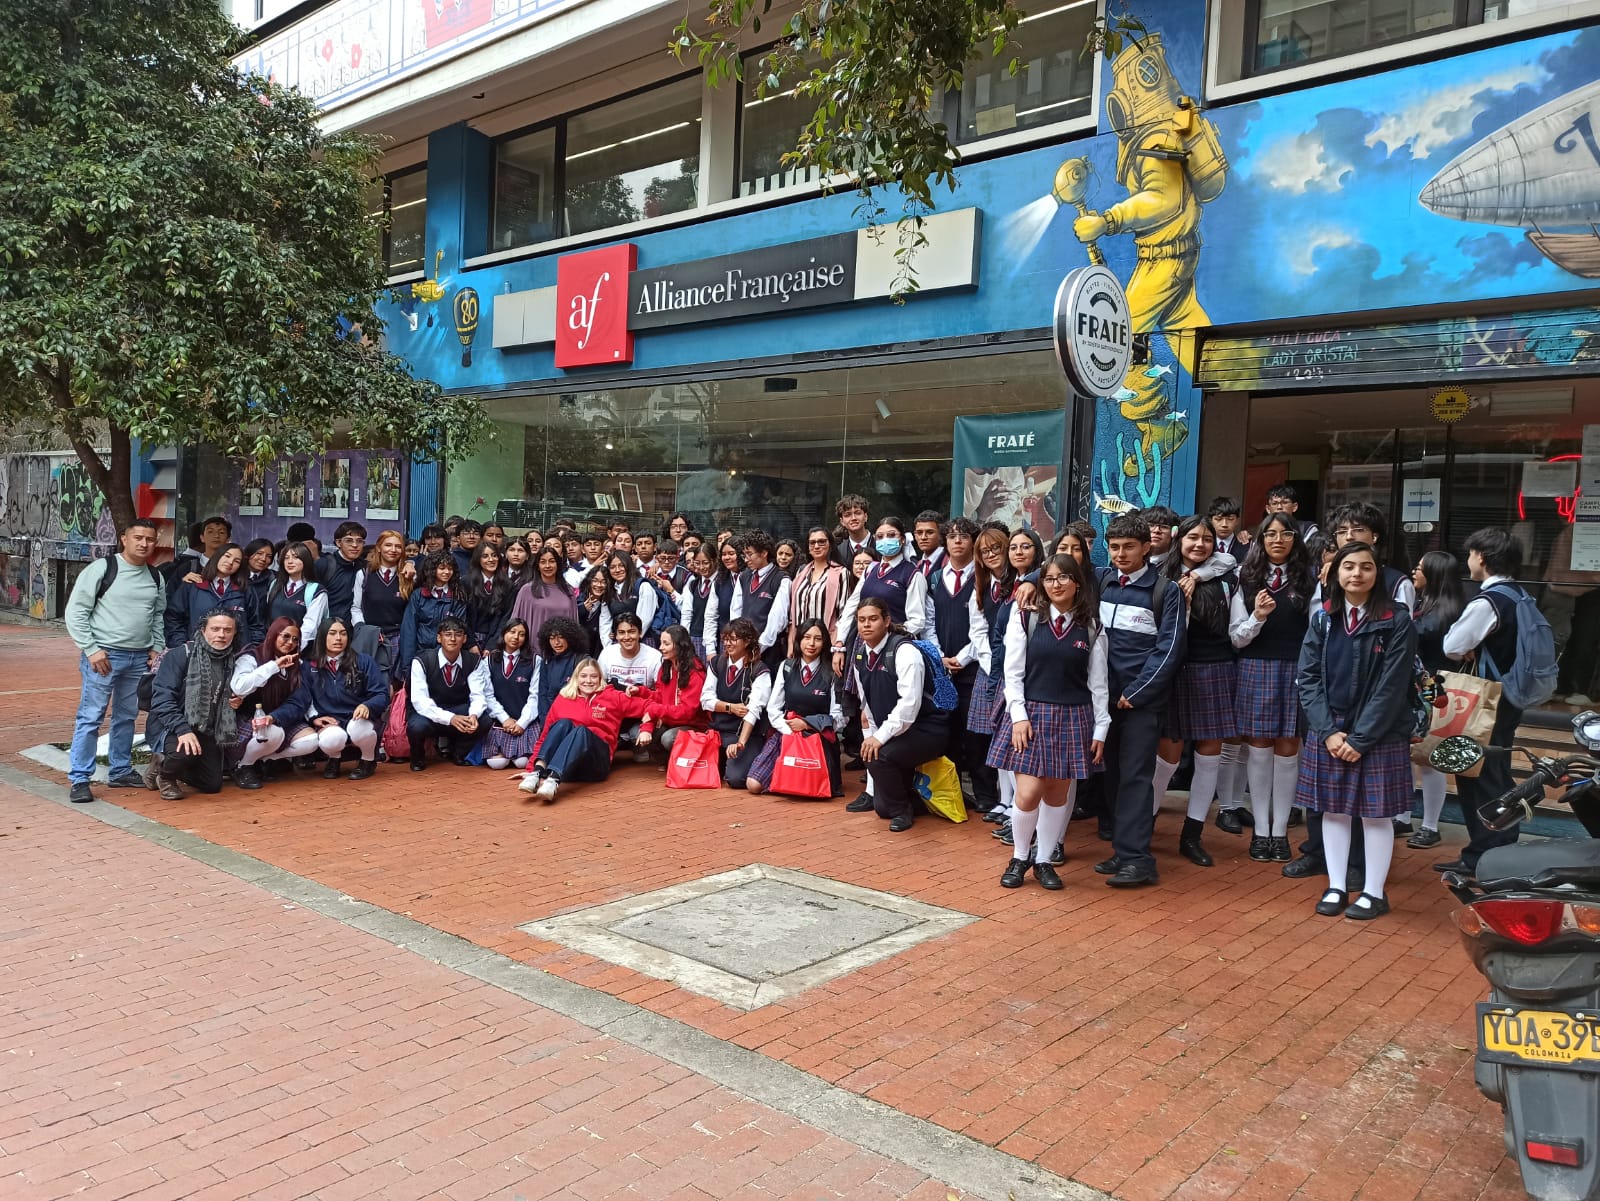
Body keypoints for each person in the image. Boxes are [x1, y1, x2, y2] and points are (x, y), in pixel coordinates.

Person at [1297, 541, 1418, 920]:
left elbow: (1393, 686)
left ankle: (1373, 892)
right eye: (1348, 566)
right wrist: (1328, 732)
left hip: (1378, 734)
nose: (1356, 574)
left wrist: (1362, 738)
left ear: (1376, 572)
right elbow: (1308, 677)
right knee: (1332, 811)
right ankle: (1335, 885)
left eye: (1366, 567)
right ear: (1336, 573)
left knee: (1375, 815)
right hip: (1330, 731)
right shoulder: (1323, 617)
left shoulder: (1396, 619)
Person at [989, 554, 1110, 889]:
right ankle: (1019, 856)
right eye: (1049, 578)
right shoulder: (1025, 617)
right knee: (1028, 792)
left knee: (1057, 793)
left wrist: (1101, 728)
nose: (1056, 584)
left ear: (1077, 583)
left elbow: (1098, 683)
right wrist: (1018, 717)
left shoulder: (1091, 625)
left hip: (1074, 715)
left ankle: (1044, 860)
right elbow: (1012, 673)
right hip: (1031, 714)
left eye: (1063, 578)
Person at [1094, 514, 1186, 888]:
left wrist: (1137, 692)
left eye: (1128, 547)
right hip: (1103, 701)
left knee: (1135, 777)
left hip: (1139, 703)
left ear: (1147, 547)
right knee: (1112, 775)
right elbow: (1059, 570)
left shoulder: (1166, 591)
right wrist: (1031, 583)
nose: (1120, 554)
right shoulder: (1102, 581)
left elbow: (1169, 649)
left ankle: (1138, 859)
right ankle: (1122, 848)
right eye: (1114, 547)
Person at [1440, 527, 1530, 876]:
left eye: (1471, 554)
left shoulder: (1487, 601)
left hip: (1485, 699)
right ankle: (1489, 850)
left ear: (1482, 558)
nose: (1469, 560)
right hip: (1508, 696)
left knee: (1479, 775)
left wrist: (1467, 647)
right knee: (1494, 772)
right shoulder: (1520, 595)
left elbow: (1452, 645)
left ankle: (1486, 855)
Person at [1154, 515, 1239, 869]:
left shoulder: (1225, 577)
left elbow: (1231, 560)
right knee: (1166, 758)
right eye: (1192, 537)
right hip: (1174, 670)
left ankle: (1192, 834)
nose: (1199, 544)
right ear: (1180, 540)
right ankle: (1144, 824)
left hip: (1215, 668)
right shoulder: (1160, 575)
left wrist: (1197, 575)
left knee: (1209, 757)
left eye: (1206, 539)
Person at [1228, 513, 1314, 863]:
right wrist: (1258, 617)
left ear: (1296, 539)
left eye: (1286, 534)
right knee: (1259, 748)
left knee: (1288, 749)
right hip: (1256, 667)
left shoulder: (1310, 581)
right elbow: (1236, 637)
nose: (1278, 540)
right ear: (1260, 540)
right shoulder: (1244, 579)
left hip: (1296, 669)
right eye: (1271, 534)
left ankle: (1281, 831)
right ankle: (1260, 830)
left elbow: (1316, 632)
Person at [63, 520, 166, 803]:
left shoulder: (155, 577)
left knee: (127, 716)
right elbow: (76, 612)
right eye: (138, 538)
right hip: (104, 656)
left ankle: (120, 770)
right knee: (91, 717)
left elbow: (157, 615)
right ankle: (80, 778)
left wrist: (156, 648)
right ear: (124, 538)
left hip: (138, 659)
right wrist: (91, 649)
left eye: (150, 539)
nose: (144, 544)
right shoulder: (103, 569)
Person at [848, 596, 951, 832]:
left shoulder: (904, 652)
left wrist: (880, 737)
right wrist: (873, 737)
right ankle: (917, 800)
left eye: (873, 619)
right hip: (897, 731)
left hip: (927, 729)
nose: (866, 625)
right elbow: (868, 707)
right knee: (882, 807)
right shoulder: (860, 656)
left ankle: (903, 811)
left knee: (879, 755)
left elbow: (909, 706)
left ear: (886, 621)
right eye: (861, 620)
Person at [516, 659, 658, 801]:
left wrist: (646, 728)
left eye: (593, 676)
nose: (588, 681)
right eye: (583, 676)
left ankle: (553, 780)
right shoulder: (564, 697)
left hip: (595, 765)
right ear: (576, 678)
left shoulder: (613, 697)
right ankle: (537, 772)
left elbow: (650, 705)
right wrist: (529, 768)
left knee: (581, 731)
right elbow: (546, 736)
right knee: (563, 724)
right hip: (568, 767)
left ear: (600, 678)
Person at [928, 517, 995, 811]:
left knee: (976, 734)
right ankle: (952, 794)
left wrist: (963, 657)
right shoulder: (933, 577)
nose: (957, 541)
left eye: (964, 536)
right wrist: (938, 655)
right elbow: (928, 622)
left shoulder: (984, 578)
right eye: (952, 536)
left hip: (973, 669)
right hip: (941, 668)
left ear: (973, 542)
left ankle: (986, 796)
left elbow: (986, 626)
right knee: (947, 732)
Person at [143, 609, 245, 799]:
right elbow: (162, 700)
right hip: (171, 725)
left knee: (212, 784)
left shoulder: (232, 660)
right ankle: (166, 775)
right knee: (184, 753)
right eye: (215, 629)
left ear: (235, 633)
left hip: (207, 727)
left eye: (227, 630)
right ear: (203, 630)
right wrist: (183, 730)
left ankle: (168, 763)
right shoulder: (180, 655)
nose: (221, 635)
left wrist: (237, 700)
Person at [270, 616, 387, 779]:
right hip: (331, 720)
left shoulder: (363, 661)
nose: (338, 638)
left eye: (343, 633)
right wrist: (314, 718)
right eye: (332, 633)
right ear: (322, 637)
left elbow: (381, 694)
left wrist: (368, 705)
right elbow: (302, 699)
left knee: (360, 730)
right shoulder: (309, 667)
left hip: (358, 718)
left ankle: (368, 759)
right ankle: (334, 758)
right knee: (331, 739)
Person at [747, 618, 846, 798]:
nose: (811, 643)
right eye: (807, 637)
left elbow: (839, 717)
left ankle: (789, 780)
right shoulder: (787, 667)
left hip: (818, 737)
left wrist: (807, 724)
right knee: (753, 784)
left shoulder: (832, 672)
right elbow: (773, 708)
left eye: (818, 638)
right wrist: (789, 730)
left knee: (811, 786)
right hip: (786, 732)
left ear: (825, 643)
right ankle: (785, 779)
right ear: (799, 640)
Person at [1407, 551, 1467, 849]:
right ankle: (1403, 816)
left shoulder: (1446, 610)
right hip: (1415, 689)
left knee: (1431, 759)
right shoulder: (1422, 601)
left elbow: (1418, 636)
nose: (1414, 572)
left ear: (1435, 573)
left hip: (1435, 691)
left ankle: (1430, 825)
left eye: (1419, 567)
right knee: (1407, 754)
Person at [831, 517, 929, 675]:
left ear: (902, 540)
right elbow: (851, 606)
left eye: (891, 535)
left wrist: (887, 634)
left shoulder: (912, 574)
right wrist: (840, 643)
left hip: (895, 647)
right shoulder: (870, 569)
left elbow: (917, 621)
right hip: (863, 644)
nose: (885, 540)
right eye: (880, 536)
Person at [228, 617, 318, 787]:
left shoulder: (298, 664)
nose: (290, 643)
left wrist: (275, 717)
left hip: (278, 718)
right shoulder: (252, 657)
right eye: (285, 636)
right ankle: (242, 766)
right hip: (249, 718)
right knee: (273, 733)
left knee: (311, 741)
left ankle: (266, 759)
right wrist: (274, 666)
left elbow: (300, 700)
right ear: (273, 635)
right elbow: (239, 688)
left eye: (295, 639)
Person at [406, 616, 488, 770]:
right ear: (439, 638)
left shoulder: (474, 661)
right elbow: (420, 701)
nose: (453, 639)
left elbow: (478, 695)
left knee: (485, 720)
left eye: (458, 634)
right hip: (429, 713)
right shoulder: (422, 660)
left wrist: (474, 715)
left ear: (464, 639)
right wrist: (451, 718)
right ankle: (417, 756)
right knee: (416, 726)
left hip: (458, 708)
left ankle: (458, 752)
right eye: (447, 634)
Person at [701, 618, 772, 788]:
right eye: (725, 639)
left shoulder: (759, 670)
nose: (727, 643)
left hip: (745, 734)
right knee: (700, 772)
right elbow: (705, 700)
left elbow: (753, 711)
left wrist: (741, 743)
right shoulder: (717, 663)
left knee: (736, 780)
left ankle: (743, 758)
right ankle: (722, 760)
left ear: (747, 641)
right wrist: (730, 708)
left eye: (733, 639)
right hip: (718, 731)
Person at [598, 611, 665, 760]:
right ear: (615, 635)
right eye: (621, 632)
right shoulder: (607, 654)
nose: (627, 637)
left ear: (640, 633)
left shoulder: (654, 657)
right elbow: (599, 687)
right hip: (612, 713)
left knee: (641, 752)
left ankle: (633, 743)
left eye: (631, 632)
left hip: (640, 714)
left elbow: (661, 692)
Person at [478, 619, 542, 771]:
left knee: (522, 763)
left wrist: (522, 723)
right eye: (512, 632)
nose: (516, 637)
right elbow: (487, 694)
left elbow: (535, 696)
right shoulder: (489, 660)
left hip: (524, 721)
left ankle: (516, 752)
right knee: (496, 764)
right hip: (500, 722)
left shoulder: (534, 660)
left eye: (521, 634)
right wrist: (504, 719)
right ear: (504, 633)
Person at [638, 624, 708, 758]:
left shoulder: (695, 673)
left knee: (668, 738)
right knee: (644, 734)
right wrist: (641, 692)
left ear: (679, 645)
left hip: (695, 725)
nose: (660, 648)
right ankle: (668, 763)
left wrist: (656, 710)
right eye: (661, 643)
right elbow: (659, 697)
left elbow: (688, 712)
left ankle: (687, 763)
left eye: (666, 644)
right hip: (672, 721)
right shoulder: (666, 667)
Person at [165, 542, 253, 648]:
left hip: (237, 655)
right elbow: (174, 617)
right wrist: (181, 645)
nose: (230, 562)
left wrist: (250, 652)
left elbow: (256, 625)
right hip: (196, 653)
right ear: (217, 557)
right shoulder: (193, 585)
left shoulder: (245, 590)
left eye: (237, 561)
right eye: (227, 556)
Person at [351, 529, 416, 671]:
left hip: (398, 639)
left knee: (395, 684)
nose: (393, 550)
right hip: (370, 636)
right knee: (368, 679)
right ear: (379, 548)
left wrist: (411, 563)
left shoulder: (409, 576)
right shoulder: (364, 574)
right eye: (388, 545)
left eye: (398, 546)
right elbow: (355, 607)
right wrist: (362, 629)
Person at [397, 550, 468, 674]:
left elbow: (457, 631)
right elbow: (409, 630)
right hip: (419, 654)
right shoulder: (418, 595)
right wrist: (408, 665)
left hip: (446, 657)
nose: (446, 572)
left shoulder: (458, 596)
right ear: (431, 570)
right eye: (442, 568)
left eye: (450, 569)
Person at [733, 530, 792, 670]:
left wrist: (758, 649)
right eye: (744, 554)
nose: (746, 559)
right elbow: (735, 612)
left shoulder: (781, 579)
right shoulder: (743, 577)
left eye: (749, 554)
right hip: (743, 648)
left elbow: (778, 620)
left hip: (769, 650)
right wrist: (739, 643)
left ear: (764, 553)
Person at [789, 528, 849, 658]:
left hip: (826, 642)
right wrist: (791, 643)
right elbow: (793, 615)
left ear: (830, 545)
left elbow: (844, 614)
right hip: (801, 642)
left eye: (821, 542)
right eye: (812, 542)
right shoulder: (801, 572)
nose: (816, 546)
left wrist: (838, 646)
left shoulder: (841, 573)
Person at [263, 543, 326, 649]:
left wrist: (294, 648)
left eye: (296, 557)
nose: (290, 562)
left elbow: (310, 626)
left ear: (306, 560)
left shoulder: (316, 590)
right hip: (271, 646)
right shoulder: (275, 584)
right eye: (286, 558)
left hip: (300, 648)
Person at [512, 546, 579, 642]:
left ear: (557, 564)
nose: (547, 566)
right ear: (538, 566)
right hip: (534, 651)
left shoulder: (568, 591)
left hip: (563, 649)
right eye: (543, 562)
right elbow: (516, 624)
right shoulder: (526, 591)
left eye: (552, 561)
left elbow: (574, 624)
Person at [464, 541, 516, 654]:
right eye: (485, 556)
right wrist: (471, 644)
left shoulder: (507, 585)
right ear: (478, 559)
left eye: (494, 555)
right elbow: (462, 616)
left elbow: (505, 617)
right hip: (468, 640)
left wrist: (491, 645)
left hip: (494, 641)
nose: (491, 560)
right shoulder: (466, 582)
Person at [598, 551, 657, 648]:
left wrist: (632, 638)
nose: (617, 570)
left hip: (642, 642)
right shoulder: (609, 591)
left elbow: (645, 619)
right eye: (612, 567)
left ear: (629, 565)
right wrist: (608, 646)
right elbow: (605, 622)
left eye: (621, 565)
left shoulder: (642, 586)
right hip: (618, 643)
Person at [315, 521, 368, 623]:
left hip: (355, 628)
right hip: (328, 628)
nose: (355, 545)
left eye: (359, 541)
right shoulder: (324, 564)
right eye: (349, 540)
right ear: (338, 543)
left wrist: (409, 562)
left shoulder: (365, 567)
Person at [535, 616, 584, 720]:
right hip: (549, 718)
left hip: (573, 719)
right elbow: (543, 694)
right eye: (552, 638)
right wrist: (545, 722)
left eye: (560, 637)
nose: (556, 642)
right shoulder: (547, 661)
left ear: (570, 638)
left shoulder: (581, 660)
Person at [699, 536, 743, 653]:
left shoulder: (750, 579)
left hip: (747, 644)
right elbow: (711, 616)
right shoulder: (720, 582)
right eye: (724, 554)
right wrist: (710, 650)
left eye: (731, 553)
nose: (727, 558)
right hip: (725, 643)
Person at [831, 494, 872, 567]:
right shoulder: (838, 551)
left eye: (858, 513)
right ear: (842, 521)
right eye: (847, 515)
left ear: (865, 517)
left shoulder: (879, 546)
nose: (853, 518)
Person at [241, 539, 277, 619]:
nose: (263, 559)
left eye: (269, 556)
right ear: (248, 553)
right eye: (259, 553)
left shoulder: (274, 578)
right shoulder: (236, 576)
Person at [911, 511, 947, 579]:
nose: (923, 537)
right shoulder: (918, 566)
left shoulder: (951, 562)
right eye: (919, 533)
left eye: (930, 532)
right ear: (915, 535)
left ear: (941, 534)